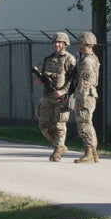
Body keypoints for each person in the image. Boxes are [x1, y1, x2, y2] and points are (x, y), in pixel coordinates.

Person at [35, 32, 77, 162]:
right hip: (47, 96)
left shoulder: (70, 59)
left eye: (59, 42)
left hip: (61, 98)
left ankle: (57, 151)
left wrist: (63, 91)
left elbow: (73, 79)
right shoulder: (49, 59)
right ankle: (60, 145)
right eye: (55, 43)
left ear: (65, 44)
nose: (57, 45)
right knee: (43, 125)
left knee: (59, 124)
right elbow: (41, 74)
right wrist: (38, 79)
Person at [73, 31, 100, 164]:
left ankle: (89, 152)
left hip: (85, 95)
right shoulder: (89, 58)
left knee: (84, 123)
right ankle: (93, 153)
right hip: (88, 94)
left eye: (80, 42)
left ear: (85, 43)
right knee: (87, 122)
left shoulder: (87, 61)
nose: (78, 45)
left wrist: (80, 100)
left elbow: (84, 82)